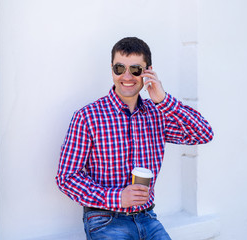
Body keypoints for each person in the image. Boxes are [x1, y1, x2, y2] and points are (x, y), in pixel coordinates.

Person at [56, 37, 214, 240]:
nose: (127, 76)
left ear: (148, 71)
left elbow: (203, 133)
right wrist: (117, 197)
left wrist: (164, 100)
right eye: (119, 68)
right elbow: (66, 177)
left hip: (148, 217)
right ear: (112, 69)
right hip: (105, 218)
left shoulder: (158, 114)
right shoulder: (87, 117)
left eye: (136, 69)